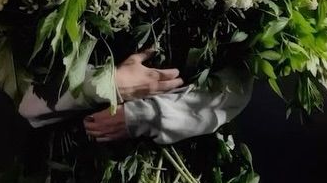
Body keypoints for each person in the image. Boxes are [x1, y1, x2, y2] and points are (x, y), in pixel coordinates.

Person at [18, 47, 254, 144]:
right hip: (66, 152)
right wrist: (109, 83)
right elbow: (28, 100)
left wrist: (149, 115)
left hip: (162, 155)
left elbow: (237, 85)